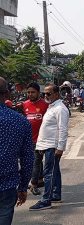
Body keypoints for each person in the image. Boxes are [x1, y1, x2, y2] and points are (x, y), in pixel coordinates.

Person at [29, 84, 69, 211]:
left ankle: (46, 200)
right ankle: (55, 195)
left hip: (52, 145)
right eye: (44, 94)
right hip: (45, 144)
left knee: (49, 173)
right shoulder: (52, 107)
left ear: (56, 94)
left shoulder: (60, 109)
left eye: (48, 93)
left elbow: (63, 129)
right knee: (54, 171)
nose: (45, 96)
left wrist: (60, 147)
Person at [0, 77, 34, 224]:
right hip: (6, 186)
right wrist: (23, 187)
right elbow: (27, 158)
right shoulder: (20, 121)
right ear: (7, 94)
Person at [23, 83, 49, 196]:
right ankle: (40, 180)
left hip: (41, 139)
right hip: (28, 139)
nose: (30, 94)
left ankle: (33, 184)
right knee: (35, 160)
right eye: (28, 92)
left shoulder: (45, 105)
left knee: (36, 161)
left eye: (33, 92)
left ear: (38, 92)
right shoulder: (24, 105)